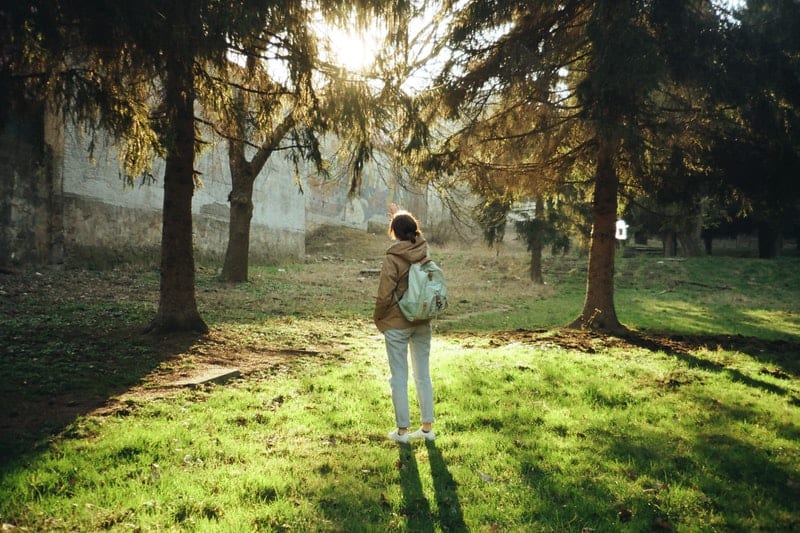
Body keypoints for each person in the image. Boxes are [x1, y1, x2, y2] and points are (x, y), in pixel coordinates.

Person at [373, 203, 436, 444]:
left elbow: (383, 295)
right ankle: (427, 428)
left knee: (398, 377)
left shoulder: (393, 257)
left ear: (394, 232)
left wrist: (379, 318)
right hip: (422, 319)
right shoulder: (424, 251)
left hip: (397, 324)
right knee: (423, 374)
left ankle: (402, 432)